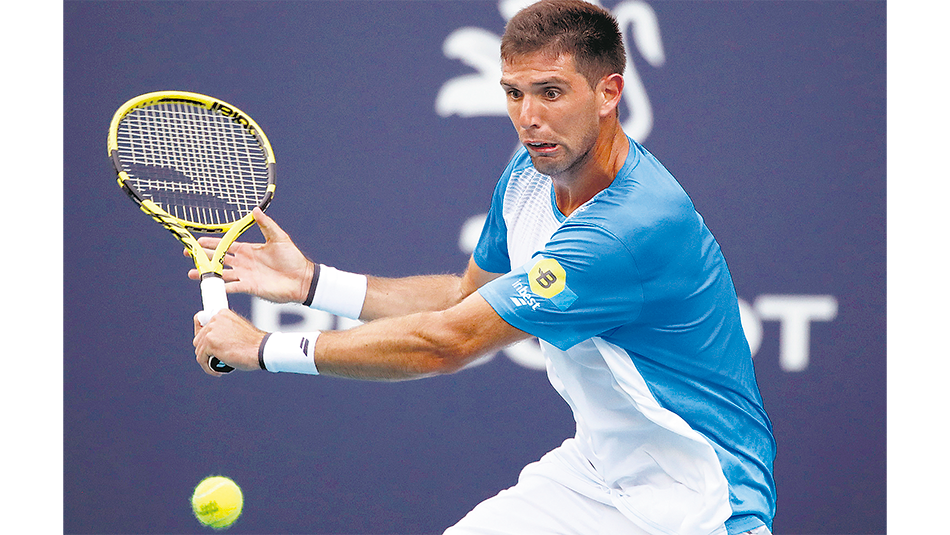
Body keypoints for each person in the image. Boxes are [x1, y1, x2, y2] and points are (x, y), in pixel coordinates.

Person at [190, 1, 776, 533]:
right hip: (598, 474)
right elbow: (464, 298)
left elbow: (448, 342)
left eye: (551, 92)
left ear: (608, 92)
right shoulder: (529, 175)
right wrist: (313, 284)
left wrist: (263, 348)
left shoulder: (627, 229)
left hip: (702, 504)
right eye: (514, 94)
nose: (528, 117)